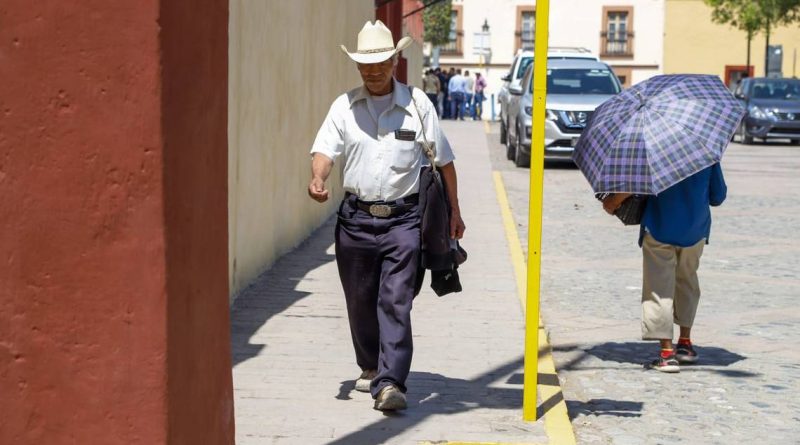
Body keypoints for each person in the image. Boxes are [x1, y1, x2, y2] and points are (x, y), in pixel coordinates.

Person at [308, 20, 466, 410]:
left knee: (395, 300)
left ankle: (391, 382)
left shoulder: (417, 104)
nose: (373, 70)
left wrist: (455, 212)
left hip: (404, 220)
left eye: (380, 62)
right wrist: (317, 178)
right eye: (366, 64)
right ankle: (369, 365)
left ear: (394, 61)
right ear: (358, 66)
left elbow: (444, 162)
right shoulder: (344, 106)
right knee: (360, 300)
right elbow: (325, 151)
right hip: (355, 221)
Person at [602, 163, 727, 373]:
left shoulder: (655, 154)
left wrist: (612, 201)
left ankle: (667, 354)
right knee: (687, 281)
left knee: (658, 287)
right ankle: (685, 343)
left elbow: (634, 186)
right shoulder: (707, 156)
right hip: (694, 230)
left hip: (660, 227)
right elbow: (718, 196)